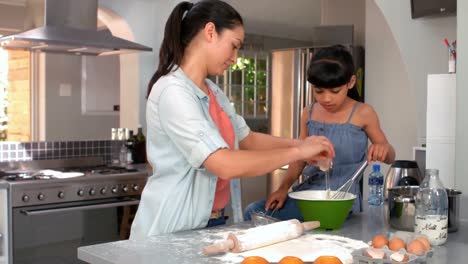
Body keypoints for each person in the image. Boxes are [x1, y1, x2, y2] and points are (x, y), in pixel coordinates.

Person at [129, 0, 335, 240]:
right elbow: (223, 163)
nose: (235, 58)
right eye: (234, 46)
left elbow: (247, 139)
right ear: (210, 32)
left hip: (214, 222)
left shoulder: (213, 92)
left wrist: (301, 145)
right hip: (171, 228)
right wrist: (297, 153)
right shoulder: (172, 91)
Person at [244, 45, 396, 221]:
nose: (326, 98)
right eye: (319, 91)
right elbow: (299, 157)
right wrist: (283, 188)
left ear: (351, 82)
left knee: (255, 214)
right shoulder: (308, 112)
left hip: (342, 200)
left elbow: (390, 156)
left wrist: (383, 148)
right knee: (254, 212)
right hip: (309, 196)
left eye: (335, 91)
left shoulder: (363, 112)